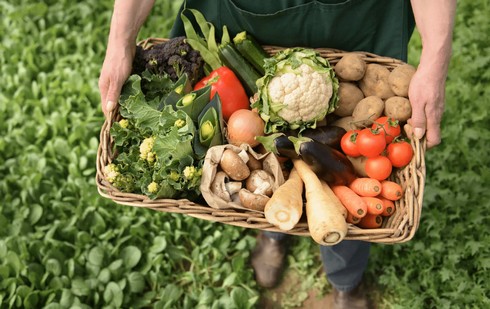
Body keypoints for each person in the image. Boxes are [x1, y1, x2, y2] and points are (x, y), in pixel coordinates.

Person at [99, 1, 456, 307]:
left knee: (347, 182)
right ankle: (274, 228)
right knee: (272, 165)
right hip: (247, 17)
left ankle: (345, 277)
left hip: (355, 22)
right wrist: (119, 41)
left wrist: (436, 60)